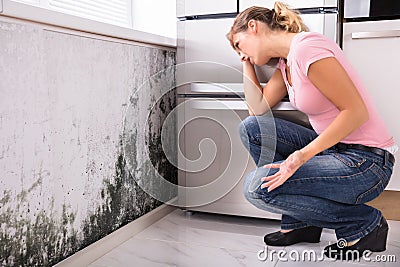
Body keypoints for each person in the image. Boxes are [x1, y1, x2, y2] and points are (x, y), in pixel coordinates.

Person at [226, 1, 397, 261]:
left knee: (256, 188)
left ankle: (364, 224)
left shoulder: (308, 48)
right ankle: (301, 223)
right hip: (336, 150)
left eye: (239, 45)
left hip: (367, 162)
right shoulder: (286, 64)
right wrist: (247, 62)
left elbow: (356, 111)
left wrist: (300, 156)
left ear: (253, 27)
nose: (241, 53)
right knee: (253, 129)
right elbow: (257, 109)